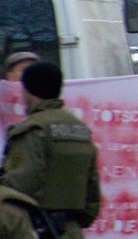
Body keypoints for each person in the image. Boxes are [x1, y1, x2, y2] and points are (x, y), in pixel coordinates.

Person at [0, 61, 101, 238]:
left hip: (37, 229)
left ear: (28, 90)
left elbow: (17, 186)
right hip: (72, 230)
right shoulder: (80, 129)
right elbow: (92, 193)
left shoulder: (33, 129)